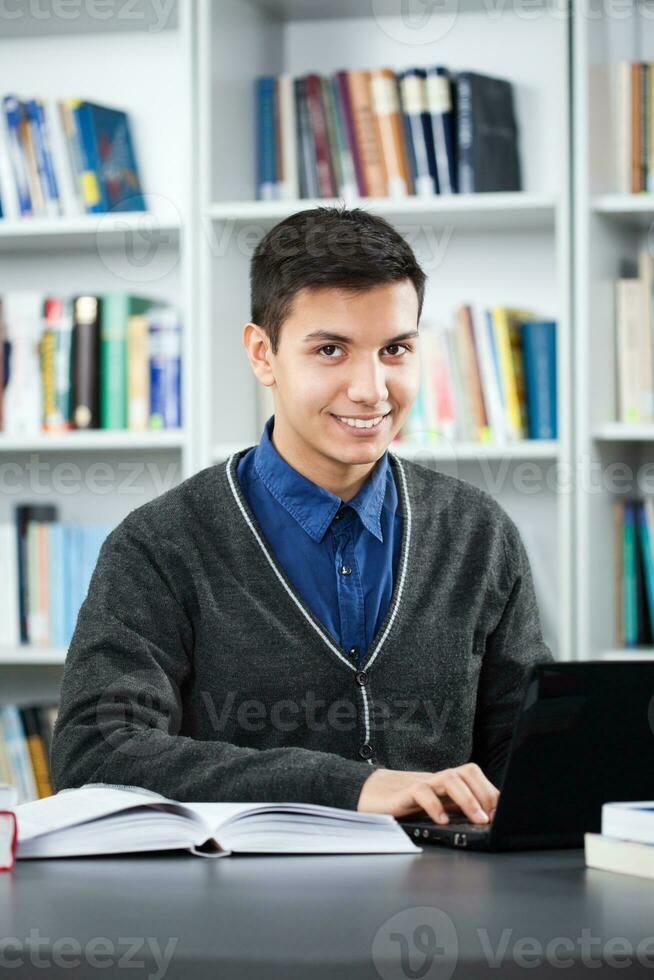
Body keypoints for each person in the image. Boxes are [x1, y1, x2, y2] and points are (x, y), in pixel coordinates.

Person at [50, 206, 553, 827]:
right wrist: (351, 787)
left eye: (395, 349)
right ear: (264, 354)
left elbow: (528, 755)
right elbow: (96, 751)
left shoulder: (479, 532)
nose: (371, 389)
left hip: (440, 902)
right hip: (239, 910)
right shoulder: (160, 544)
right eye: (331, 350)